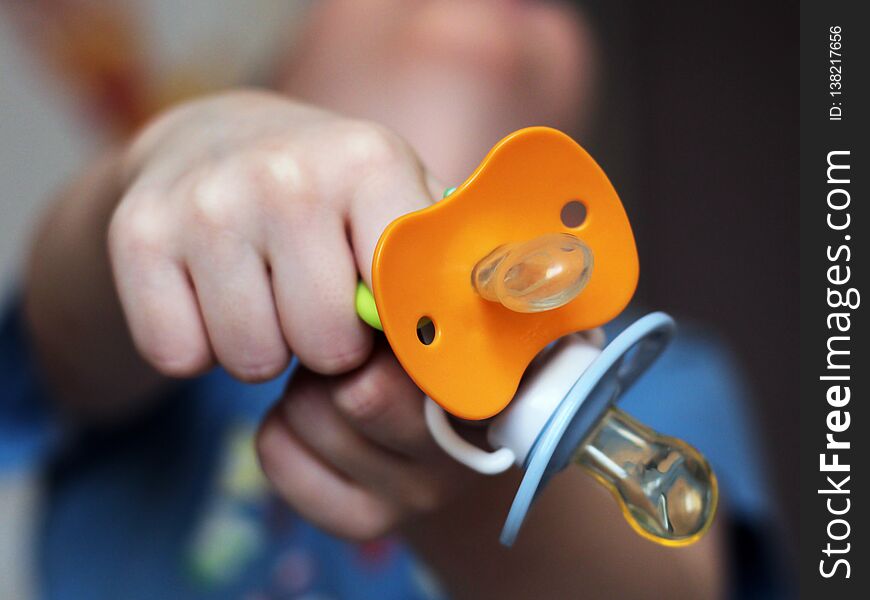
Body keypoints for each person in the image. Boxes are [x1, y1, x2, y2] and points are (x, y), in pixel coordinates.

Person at [1, 1, 778, 597]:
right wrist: (174, 152)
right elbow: (70, 327)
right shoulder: (180, 347)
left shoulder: (667, 378)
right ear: (280, 75)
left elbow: (671, 586)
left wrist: (477, 489)